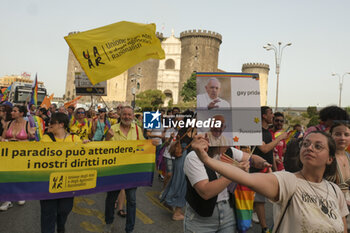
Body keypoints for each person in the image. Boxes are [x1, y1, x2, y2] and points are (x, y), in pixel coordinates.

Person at [192, 131, 349, 232]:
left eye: (318, 146)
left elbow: (343, 229)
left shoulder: (335, 191)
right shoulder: (288, 180)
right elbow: (246, 178)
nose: (309, 148)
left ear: (330, 158)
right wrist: (205, 158)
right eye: (306, 144)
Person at [184, 144, 271, 233]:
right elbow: (206, 192)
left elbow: (251, 159)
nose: (230, 143)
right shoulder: (194, 157)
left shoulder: (228, 151)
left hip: (228, 213)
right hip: (201, 219)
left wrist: (264, 163)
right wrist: (235, 171)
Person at [40, 112, 83, 233]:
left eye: (52, 122)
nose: (49, 124)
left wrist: (87, 147)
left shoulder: (75, 139)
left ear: (61, 124)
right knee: (48, 212)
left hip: (68, 182)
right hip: (48, 181)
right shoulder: (46, 138)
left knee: (64, 210)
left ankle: (60, 226)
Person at [103, 106, 144, 233]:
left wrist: (150, 144)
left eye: (129, 115)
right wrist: (108, 138)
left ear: (133, 117)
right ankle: (108, 223)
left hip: (131, 171)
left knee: (131, 201)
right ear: (120, 115)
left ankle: (129, 229)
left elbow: (142, 147)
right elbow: (104, 150)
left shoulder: (137, 130)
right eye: (124, 114)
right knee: (111, 200)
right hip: (115, 170)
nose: (127, 117)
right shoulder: (112, 129)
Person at [251, 106, 288, 232]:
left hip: (267, 169)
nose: (272, 116)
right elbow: (264, 149)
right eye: (270, 113)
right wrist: (280, 138)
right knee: (260, 200)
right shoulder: (256, 131)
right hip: (256, 170)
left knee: (265, 198)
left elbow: (270, 152)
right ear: (263, 116)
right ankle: (264, 228)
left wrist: (273, 168)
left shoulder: (268, 132)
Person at [161, 110, 196, 221]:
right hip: (184, 158)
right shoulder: (190, 130)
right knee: (182, 184)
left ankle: (168, 200)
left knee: (177, 181)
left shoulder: (186, 129)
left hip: (181, 158)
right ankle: (177, 211)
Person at [0, 105, 35, 211]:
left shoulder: (28, 124)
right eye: (12, 111)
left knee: (20, 176)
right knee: (7, 176)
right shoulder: (8, 123)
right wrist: (3, 140)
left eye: (15, 111)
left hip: (21, 155)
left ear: (21, 113)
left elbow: (33, 139)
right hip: (8, 155)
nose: (12, 113)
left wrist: (32, 136)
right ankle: (7, 200)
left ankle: (20, 195)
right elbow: (3, 137)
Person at [329, 122, 350, 230]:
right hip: (331, 210)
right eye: (338, 134)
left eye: (346, 134)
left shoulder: (348, 156)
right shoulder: (326, 158)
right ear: (330, 136)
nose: (342, 138)